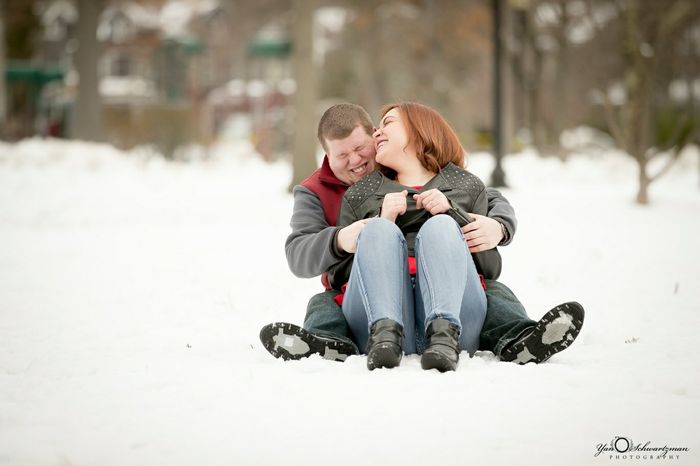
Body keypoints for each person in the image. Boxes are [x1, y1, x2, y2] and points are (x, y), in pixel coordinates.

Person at [259, 103, 583, 368]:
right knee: (326, 299)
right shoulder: (330, 193)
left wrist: (496, 225)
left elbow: (488, 203)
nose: (355, 161)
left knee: (494, 289)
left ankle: (514, 338)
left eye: (360, 148)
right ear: (326, 157)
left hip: (450, 299)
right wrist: (347, 237)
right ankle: (331, 342)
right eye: (341, 156)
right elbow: (301, 255)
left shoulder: (457, 183)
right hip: (368, 299)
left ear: (375, 138)